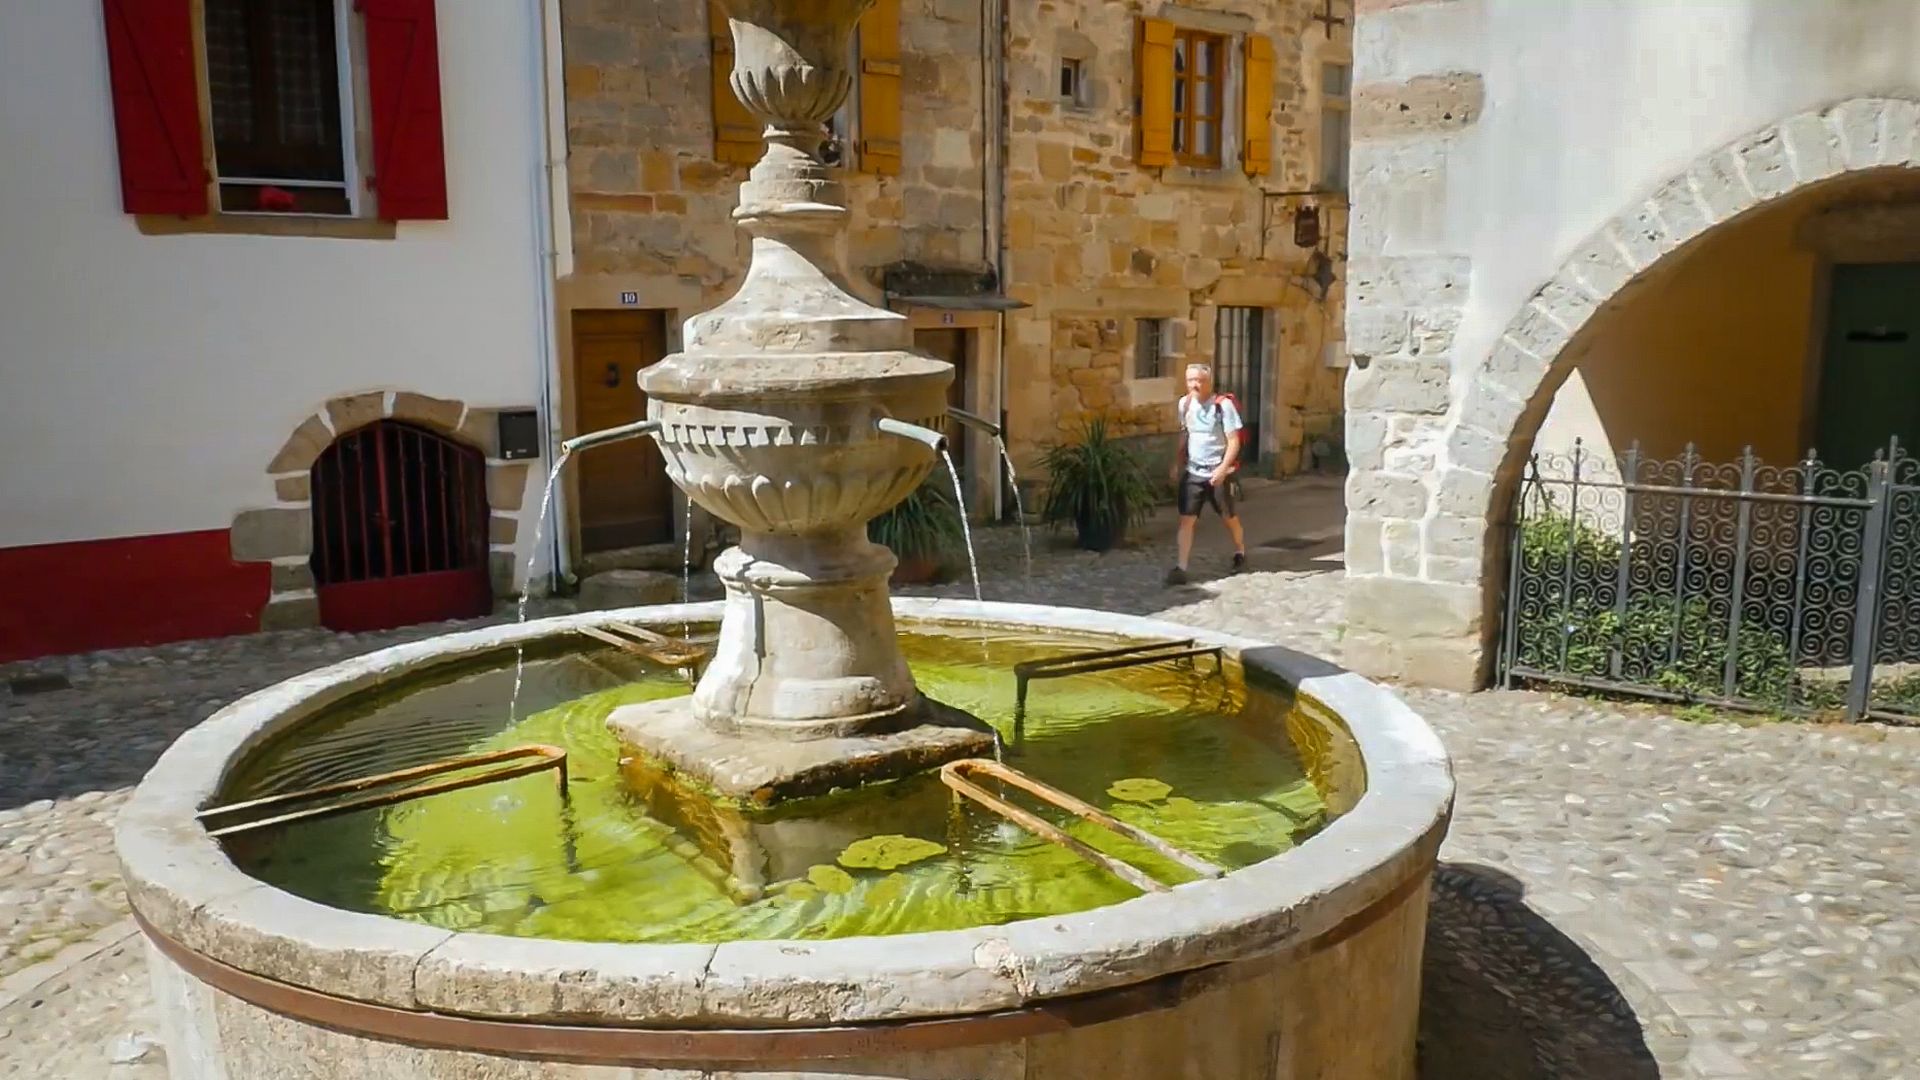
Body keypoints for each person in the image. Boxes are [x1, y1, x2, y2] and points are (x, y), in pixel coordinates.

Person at [1166, 362, 1248, 585]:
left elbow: (1233, 442)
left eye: (1200, 380)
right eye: (1191, 380)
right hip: (1194, 472)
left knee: (1228, 517)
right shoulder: (1184, 404)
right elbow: (1185, 435)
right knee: (1186, 520)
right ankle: (1181, 566)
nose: (1195, 384)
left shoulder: (1223, 406)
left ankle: (1240, 551)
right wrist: (1177, 462)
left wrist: (1223, 469)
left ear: (1209, 382)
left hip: (1218, 472)